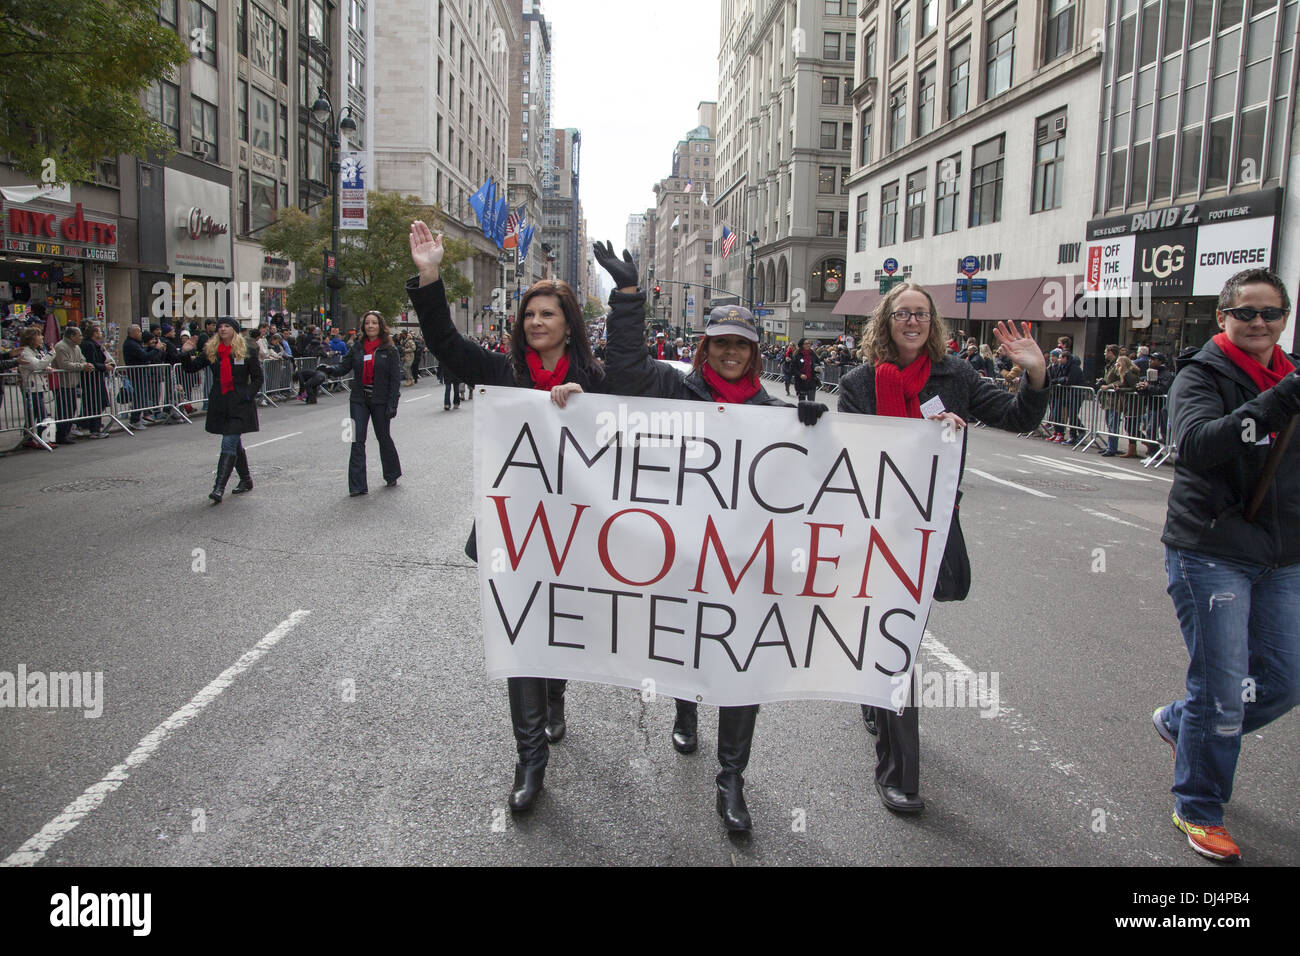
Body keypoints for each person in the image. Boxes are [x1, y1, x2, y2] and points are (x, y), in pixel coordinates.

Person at [597, 240, 827, 834]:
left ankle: (731, 779)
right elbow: (625, 372)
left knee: (739, 659)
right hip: (683, 557)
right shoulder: (677, 391)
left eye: (741, 345)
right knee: (690, 641)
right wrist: (628, 300)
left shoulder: (775, 413)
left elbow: (809, 483)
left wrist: (814, 431)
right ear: (706, 349)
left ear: (753, 354)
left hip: (744, 563)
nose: (730, 352)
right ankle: (684, 705)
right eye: (721, 343)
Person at [408, 219, 609, 814]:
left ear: (568, 324)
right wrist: (429, 276)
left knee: (560, 628)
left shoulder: (597, 381)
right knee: (522, 634)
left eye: (548, 315)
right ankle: (530, 762)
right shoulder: (503, 374)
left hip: (577, 535)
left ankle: (556, 694)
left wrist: (585, 405)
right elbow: (445, 346)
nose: (536, 323)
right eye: (529, 316)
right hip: (514, 534)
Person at [837, 282, 1048, 815]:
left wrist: (1035, 374)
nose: (913, 322)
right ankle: (899, 776)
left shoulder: (957, 377)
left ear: (934, 325)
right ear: (885, 322)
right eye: (903, 313)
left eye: (922, 315)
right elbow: (842, 458)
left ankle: (874, 695)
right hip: (875, 530)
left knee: (896, 640)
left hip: (931, 528)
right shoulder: (859, 383)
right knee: (895, 642)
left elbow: (1019, 418)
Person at [1152, 268, 1300, 863]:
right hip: (1210, 550)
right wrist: (1275, 404)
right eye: (1246, 313)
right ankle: (1199, 806)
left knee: (1287, 679)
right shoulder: (1201, 374)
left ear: (1284, 318)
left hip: (1283, 554)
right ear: (1223, 319)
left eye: (1270, 313)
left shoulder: (1291, 375)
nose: (1259, 323)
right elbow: (1194, 446)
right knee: (1221, 691)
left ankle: (1178, 722)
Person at [179, 318, 263, 503]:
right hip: (220, 403)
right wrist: (185, 353)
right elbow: (191, 368)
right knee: (234, 443)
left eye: (227, 326)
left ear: (234, 330)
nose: (223, 329)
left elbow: (258, 378)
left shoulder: (246, 350)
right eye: (220, 327)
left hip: (240, 404)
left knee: (228, 442)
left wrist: (247, 395)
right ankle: (246, 479)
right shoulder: (212, 351)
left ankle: (218, 488)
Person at [319, 310, 403, 496]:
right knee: (356, 440)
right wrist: (328, 370)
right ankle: (357, 486)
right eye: (367, 323)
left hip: (380, 401)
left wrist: (393, 403)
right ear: (363, 327)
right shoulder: (357, 347)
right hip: (358, 400)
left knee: (384, 438)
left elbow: (395, 380)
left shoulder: (390, 349)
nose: (370, 326)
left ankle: (391, 473)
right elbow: (343, 367)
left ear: (380, 326)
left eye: (374, 323)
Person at [17, 326, 57, 448]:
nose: (42, 337)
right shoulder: (25, 352)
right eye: (39, 335)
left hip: (38, 386)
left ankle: (28, 438)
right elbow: (37, 365)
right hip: (31, 387)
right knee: (41, 413)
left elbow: (43, 363)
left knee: (32, 414)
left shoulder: (36, 350)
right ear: (31, 338)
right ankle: (43, 439)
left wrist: (47, 366)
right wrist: (51, 354)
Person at [1097, 353, 1140, 456]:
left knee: (1131, 427)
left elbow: (1134, 387)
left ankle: (1148, 446)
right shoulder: (1123, 373)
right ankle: (1130, 450)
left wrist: (1120, 389)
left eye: (1118, 364)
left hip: (1132, 403)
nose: (1117, 365)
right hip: (1125, 402)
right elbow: (1121, 383)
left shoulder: (1129, 374)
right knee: (1129, 427)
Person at [77, 323, 113, 438]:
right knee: (95, 403)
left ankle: (87, 424)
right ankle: (93, 429)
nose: (101, 333)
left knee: (100, 402)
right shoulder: (88, 345)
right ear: (94, 333)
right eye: (99, 331)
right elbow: (91, 362)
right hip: (91, 378)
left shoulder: (95, 344)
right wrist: (104, 367)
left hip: (97, 377)